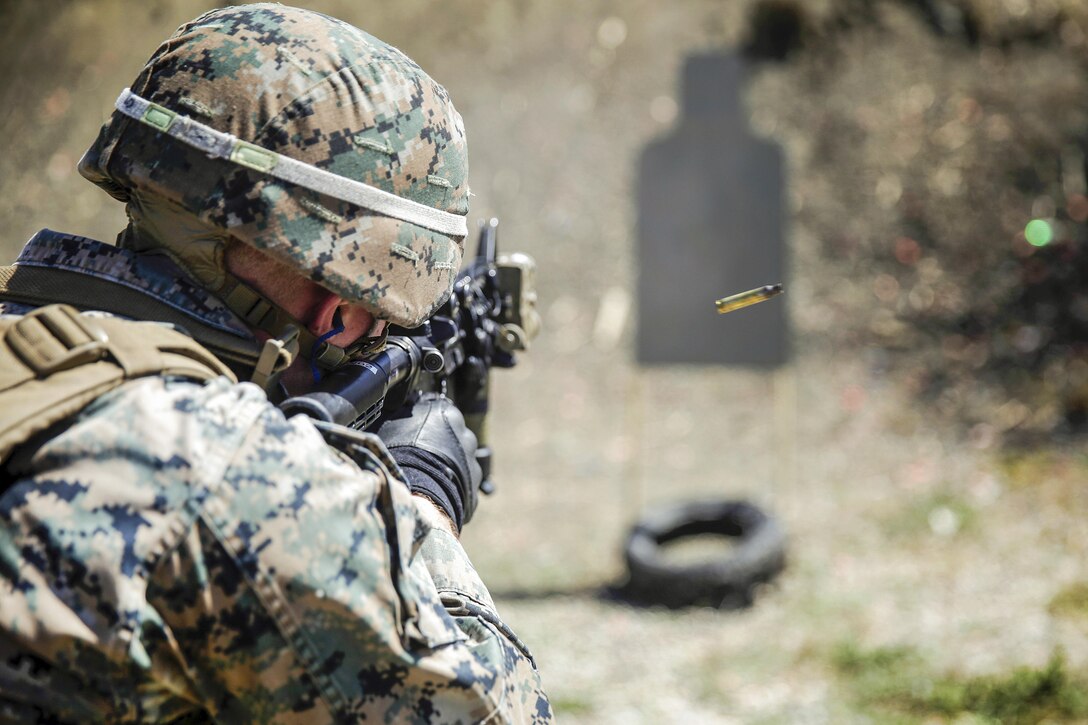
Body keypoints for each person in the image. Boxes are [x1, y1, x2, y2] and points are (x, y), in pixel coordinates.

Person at [0, 4, 553, 722]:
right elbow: (493, 707)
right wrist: (419, 519)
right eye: (378, 324)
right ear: (344, 309)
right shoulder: (231, 472)